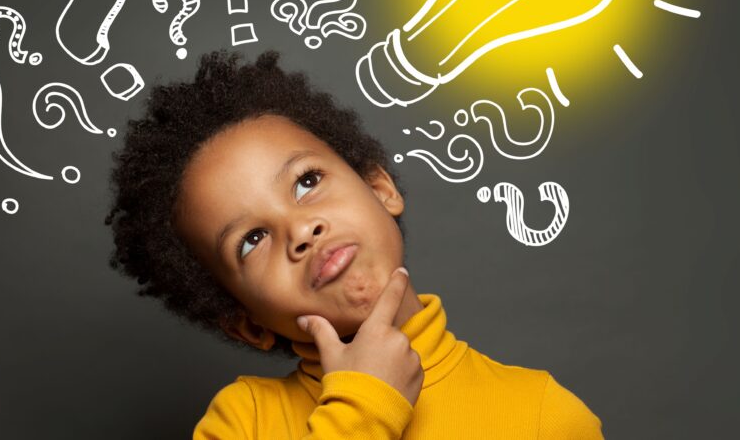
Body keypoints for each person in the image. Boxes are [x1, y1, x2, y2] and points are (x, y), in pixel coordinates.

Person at [105, 50, 602, 438]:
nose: (301, 231)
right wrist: (363, 410)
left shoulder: (542, 415)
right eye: (252, 239)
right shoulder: (242, 422)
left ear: (380, 187)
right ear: (247, 325)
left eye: (306, 181)